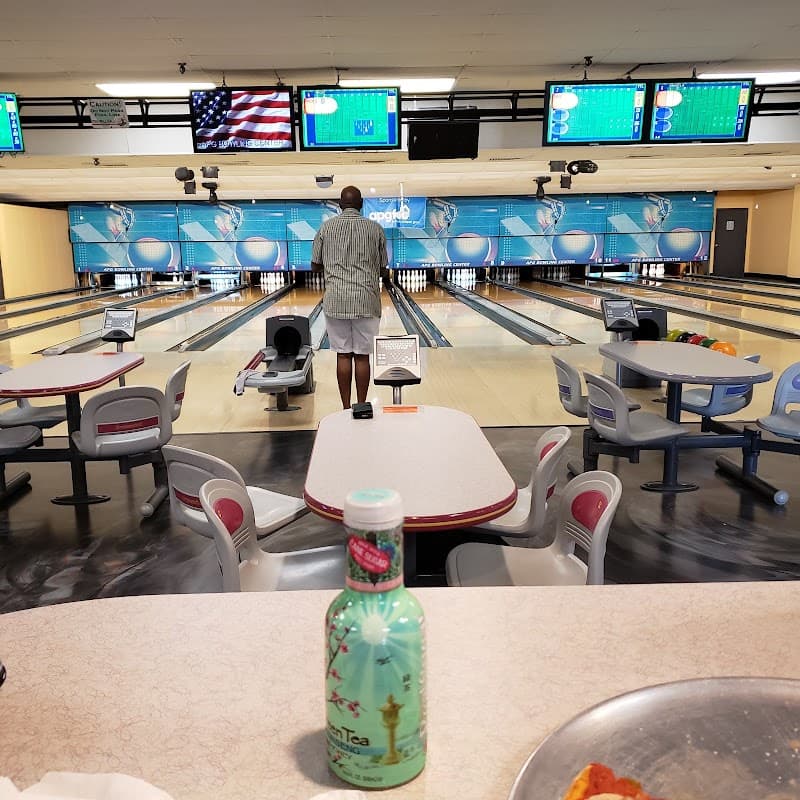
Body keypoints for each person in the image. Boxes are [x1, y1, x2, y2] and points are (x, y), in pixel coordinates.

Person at [312, 185, 388, 409]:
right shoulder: (375, 229)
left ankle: (346, 409)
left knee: (343, 356)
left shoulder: (326, 228)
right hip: (366, 300)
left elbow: (315, 265)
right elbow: (383, 268)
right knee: (362, 357)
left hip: (336, 300)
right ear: (362, 203)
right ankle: (362, 405)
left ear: (339, 203)